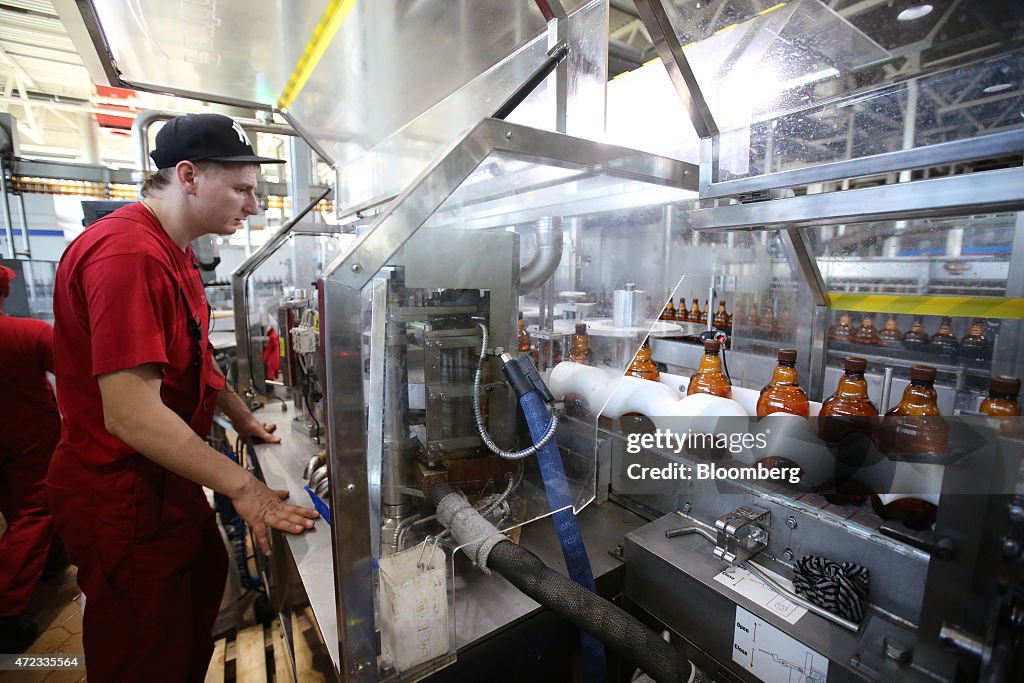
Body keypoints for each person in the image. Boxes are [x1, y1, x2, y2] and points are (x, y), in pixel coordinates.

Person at [47, 113, 319, 682]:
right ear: (189, 176)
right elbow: (130, 412)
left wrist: (242, 418)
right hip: (122, 493)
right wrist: (247, 489)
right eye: (243, 190)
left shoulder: (176, 251)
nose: (252, 206)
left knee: (195, 594)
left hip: (165, 480)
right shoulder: (128, 257)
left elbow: (194, 357)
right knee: (145, 650)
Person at [0, 265, 63, 652]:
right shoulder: (26, 333)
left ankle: (48, 564)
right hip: (29, 442)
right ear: (5, 292)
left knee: (11, 507)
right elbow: (79, 372)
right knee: (33, 513)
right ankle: (5, 611)